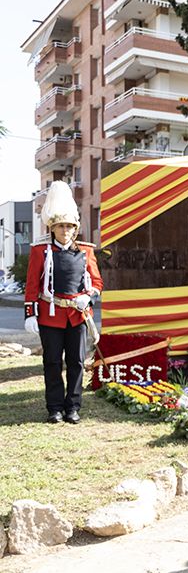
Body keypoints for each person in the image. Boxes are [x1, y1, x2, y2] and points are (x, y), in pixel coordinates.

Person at [23, 181, 102, 425]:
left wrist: (87, 296)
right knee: (53, 362)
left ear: (75, 229)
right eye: (60, 226)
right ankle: (55, 408)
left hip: (78, 315)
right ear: (53, 228)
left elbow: (97, 283)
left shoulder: (87, 251)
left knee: (77, 363)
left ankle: (73, 407)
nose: (65, 230)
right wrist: (30, 314)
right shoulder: (40, 252)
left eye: (69, 226)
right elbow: (32, 285)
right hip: (50, 314)